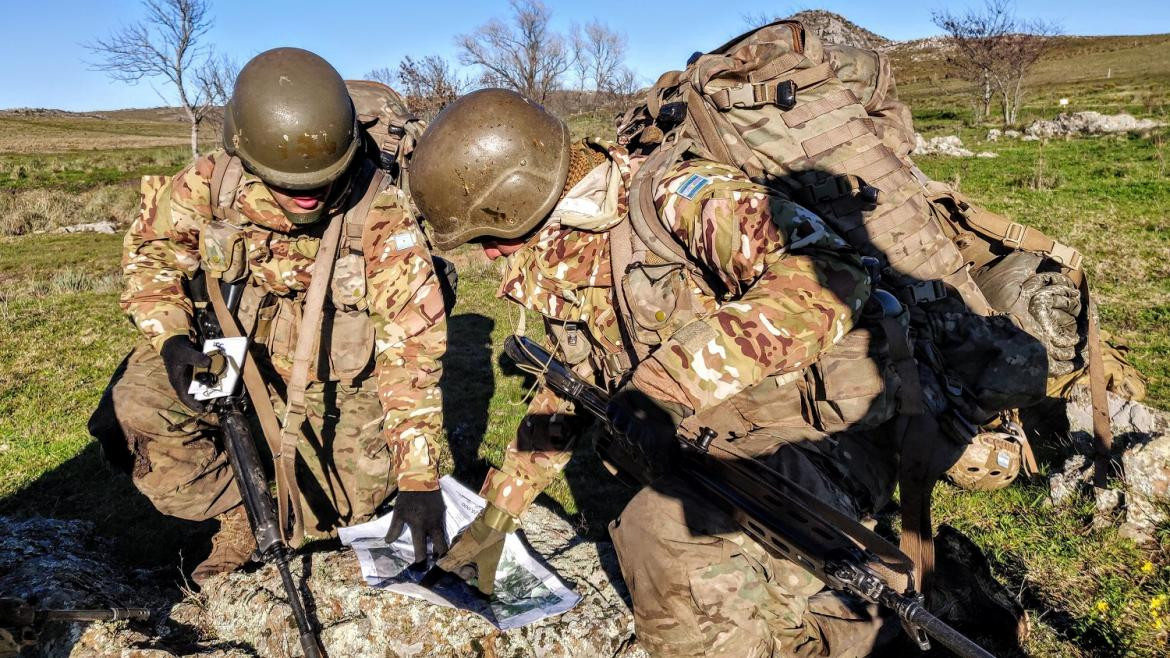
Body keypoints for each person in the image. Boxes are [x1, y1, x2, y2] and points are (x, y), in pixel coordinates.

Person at [410, 87, 903, 656]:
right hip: (719, 457)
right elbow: (570, 388)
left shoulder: (678, 200)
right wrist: (499, 514)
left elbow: (834, 278)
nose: (490, 257)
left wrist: (667, 385)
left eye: (488, 238)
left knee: (660, 534)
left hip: (818, 441)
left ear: (519, 199)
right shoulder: (561, 250)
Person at [96, 48, 448, 585]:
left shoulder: (381, 212)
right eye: (286, 183)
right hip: (233, 353)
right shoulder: (211, 183)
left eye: (320, 181)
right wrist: (171, 342)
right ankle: (239, 513)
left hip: (340, 379)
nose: (306, 197)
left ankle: (293, 511)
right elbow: (153, 254)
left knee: (343, 506)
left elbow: (414, 348)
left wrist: (420, 482)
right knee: (137, 414)